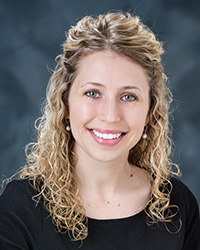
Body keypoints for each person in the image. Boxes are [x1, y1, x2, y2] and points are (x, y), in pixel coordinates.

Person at [0, 12, 199, 250]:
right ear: (65, 104)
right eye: (92, 93)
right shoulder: (21, 209)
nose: (110, 116)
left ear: (149, 113)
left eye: (128, 96)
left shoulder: (178, 205)